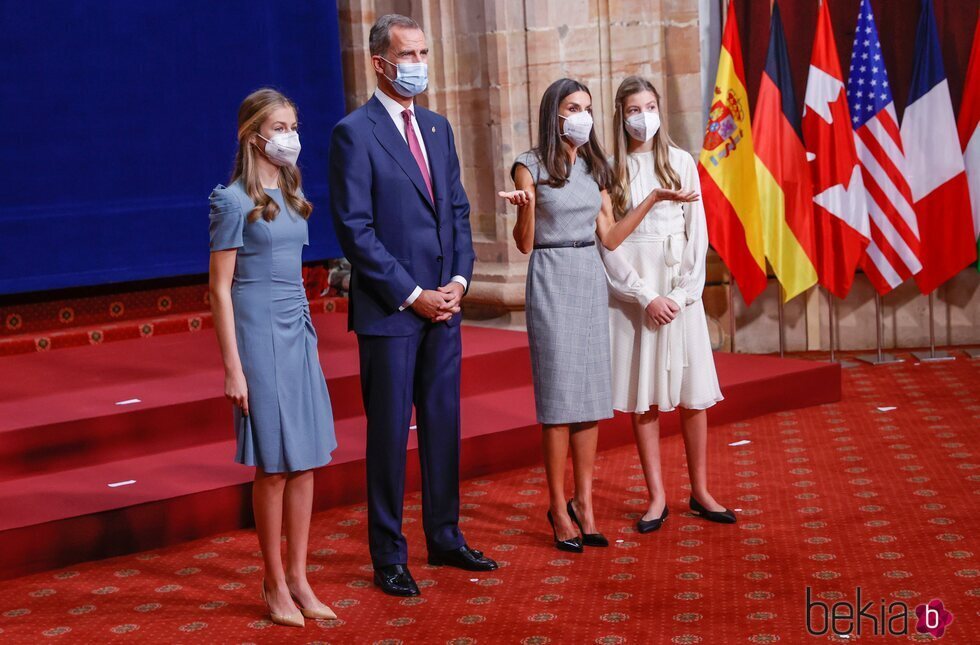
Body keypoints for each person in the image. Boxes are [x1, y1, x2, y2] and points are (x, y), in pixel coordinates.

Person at [328, 14, 497, 597]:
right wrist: (413, 293)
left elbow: (456, 210)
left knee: (444, 425)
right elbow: (356, 229)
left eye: (424, 51)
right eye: (409, 53)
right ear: (381, 62)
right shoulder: (355, 132)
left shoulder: (437, 127)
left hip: (444, 308)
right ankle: (388, 555)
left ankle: (446, 538)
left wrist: (457, 282)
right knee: (389, 437)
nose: (419, 62)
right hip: (392, 313)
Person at [500, 78, 692, 552]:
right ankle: (557, 506)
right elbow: (524, 243)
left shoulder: (594, 164)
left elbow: (608, 237)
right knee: (559, 400)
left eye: (586, 106)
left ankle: (585, 505)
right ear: (555, 113)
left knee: (588, 399)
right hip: (550, 273)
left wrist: (651, 200)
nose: (582, 115)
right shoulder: (530, 166)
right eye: (573, 107)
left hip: (589, 274)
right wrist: (526, 210)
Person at [209, 89, 338, 627]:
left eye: (293, 125)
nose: (289, 136)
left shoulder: (292, 191)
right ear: (253, 135)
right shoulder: (231, 200)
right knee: (276, 465)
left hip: (298, 329)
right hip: (257, 334)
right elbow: (219, 288)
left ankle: (301, 577)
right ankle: (273, 581)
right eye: (279, 127)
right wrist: (233, 368)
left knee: (305, 459)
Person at [599, 75, 733, 533]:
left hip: (680, 294)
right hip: (638, 297)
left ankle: (700, 489)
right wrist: (644, 296)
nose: (643, 117)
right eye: (634, 109)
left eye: (650, 106)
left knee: (693, 397)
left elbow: (699, 236)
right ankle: (656, 495)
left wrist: (677, 296)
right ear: (621, 114)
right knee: (646, 399)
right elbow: (608, 246)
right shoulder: (611, 169)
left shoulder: (680, 162)